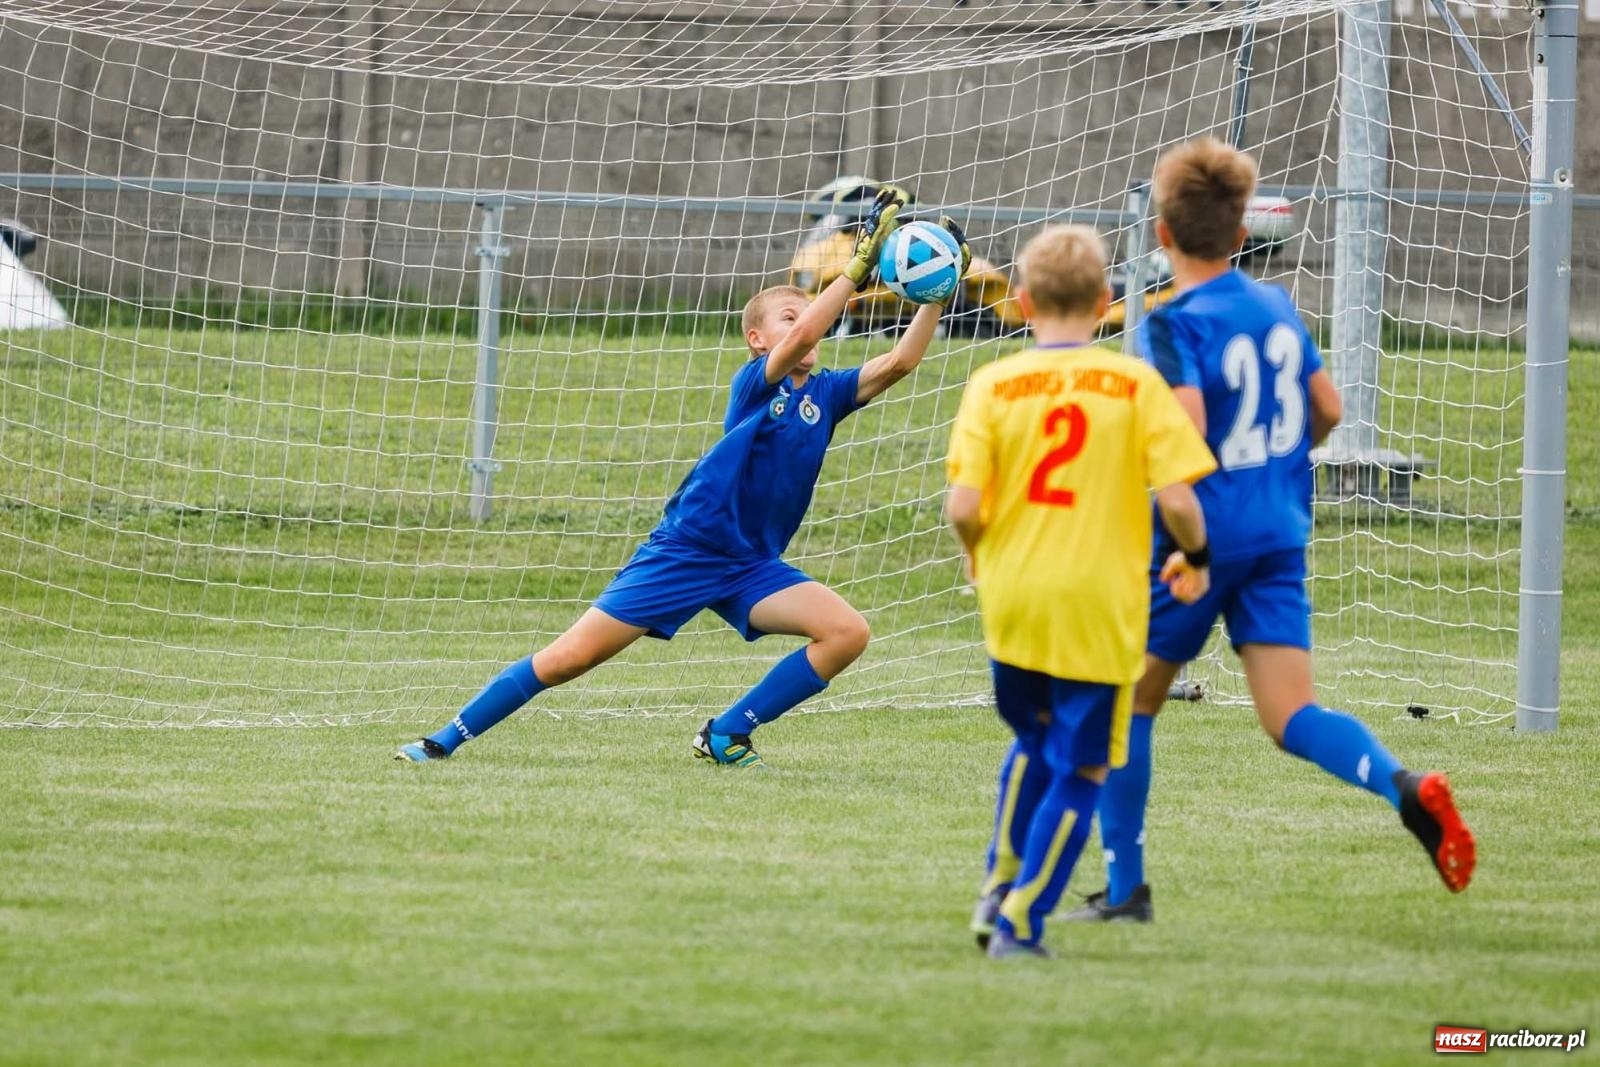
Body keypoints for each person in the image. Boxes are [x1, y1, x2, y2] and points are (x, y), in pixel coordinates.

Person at [398, 187, 969, 769]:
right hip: (688, 550)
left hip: (751, 564)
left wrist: (938, 292)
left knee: (847, 632)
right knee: (570, 658)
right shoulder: (756, 383)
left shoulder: (827, 394)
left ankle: (727, 733)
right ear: (757, 340)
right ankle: (442, 739)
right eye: (790, 316)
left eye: (812, 316)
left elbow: (900, 362)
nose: (807, 327)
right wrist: (853, 270)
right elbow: (801, 338)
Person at [1067, 137, 1475, 924]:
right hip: (1281, 527)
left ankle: (1126, 891)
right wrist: (1277, 469)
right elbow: (1328, 409)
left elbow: (1184, 436)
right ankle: (1404, 784)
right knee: (1292, 714)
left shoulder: (1171, 324)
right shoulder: (1277, 307)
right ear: (1241, 232)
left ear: (1162, 233)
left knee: (1126, 704)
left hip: (1201, 538)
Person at [946, 223, 1217, 958]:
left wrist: (977, 554)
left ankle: (998, 882)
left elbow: (963, 506)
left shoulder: (992, 383)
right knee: (1085, 765)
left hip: (1015, 596)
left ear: (1023, 302)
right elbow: (1179, 498)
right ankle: (1020, 919)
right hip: (1099, 604)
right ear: (1105, 303)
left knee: (1034, 739)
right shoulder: (1133, 384)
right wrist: (1196, 556)